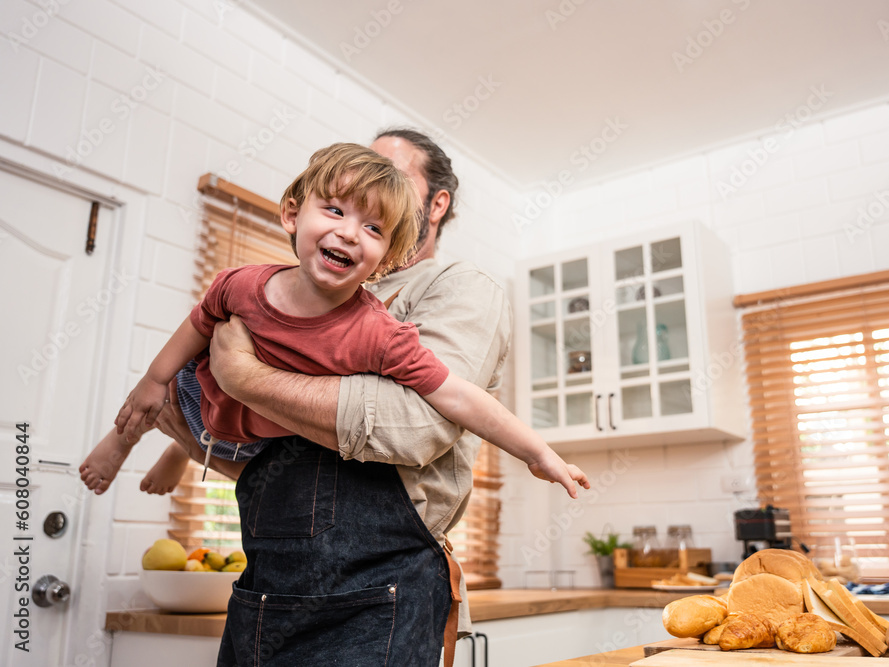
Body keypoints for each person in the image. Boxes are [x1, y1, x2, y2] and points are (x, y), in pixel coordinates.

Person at [153, 129, 551, 666]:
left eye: (392, 182)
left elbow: (413, 426)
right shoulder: (307, 292)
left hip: (377, 593)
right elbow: (281, 459)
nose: (368, 201)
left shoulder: (456, 288)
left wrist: (244, 377)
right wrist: (196, 434)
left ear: (435, 204)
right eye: (343, 202)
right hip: (266, 587)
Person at [79, 142, 587, 504]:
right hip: (206, 401)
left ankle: (188, 446)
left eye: (373, 224)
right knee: (181, 371)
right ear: (292, 216)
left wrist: (535, 451)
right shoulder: (245, 283)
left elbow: (453, 399)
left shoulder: (382, 325)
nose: (349, 231)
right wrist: (153, 380)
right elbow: (198, 323)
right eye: (337, 208)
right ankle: (139, 440)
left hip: (256, 437)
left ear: (393, 250)